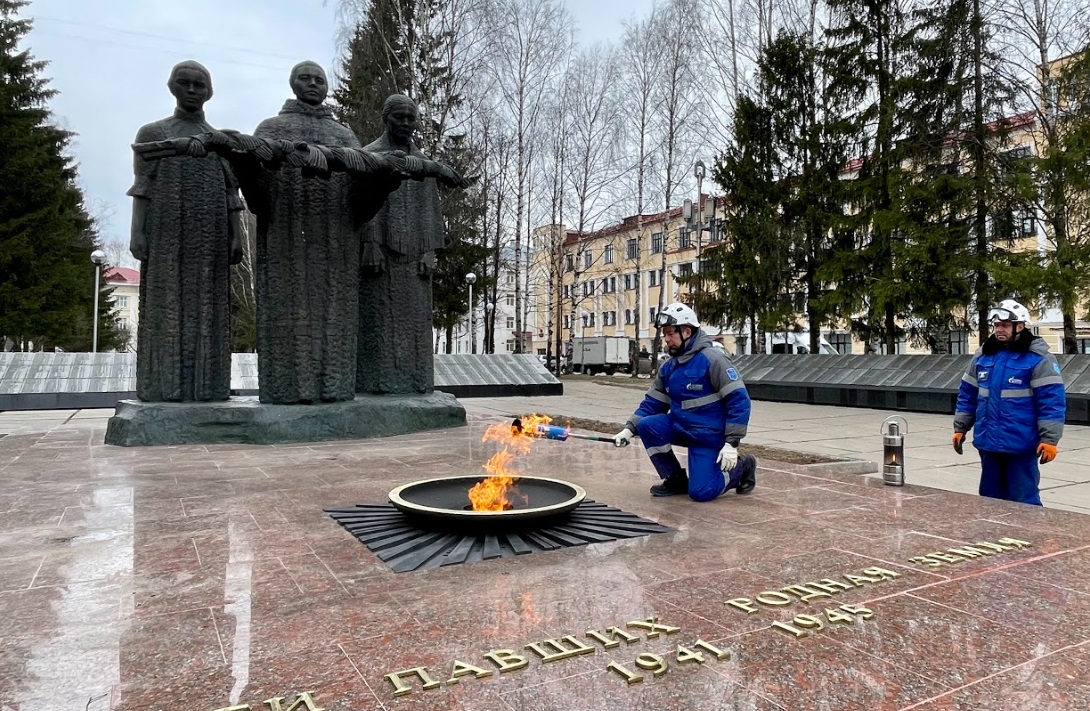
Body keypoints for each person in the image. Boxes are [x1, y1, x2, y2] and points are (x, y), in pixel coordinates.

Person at [234, 61, 396, 404]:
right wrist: (246, 169)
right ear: (293, 83)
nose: (312, 84)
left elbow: (359, 207)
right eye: (305, 78)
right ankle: (286, 391)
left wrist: (383, 186)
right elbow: (259, 200)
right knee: (288, 314)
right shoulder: (271, 128)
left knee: (335, 316)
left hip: (336, 243)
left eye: (319, 79)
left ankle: (334, 389)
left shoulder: (344, 136)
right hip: (285, 241)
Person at [128, 60, 243, 402]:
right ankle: (163, 386)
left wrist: (237, 234)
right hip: (166, 230)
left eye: (199, 85)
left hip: (211, 233)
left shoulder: (220, 141)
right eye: (185, 83)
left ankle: (209, 386)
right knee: (167, 303)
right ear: (172, 87)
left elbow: (231, 192)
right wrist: (137, 232)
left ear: (210, 92)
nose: (192, 90)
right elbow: (142, 187)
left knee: (210, 304)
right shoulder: (153, 134)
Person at [356, 94, 471, 395]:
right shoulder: (370, 156)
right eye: (399, 117)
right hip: (380, 256)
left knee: (415, 328)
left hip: (416, 260)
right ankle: (376, 387)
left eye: (411, 118)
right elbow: (364, 205)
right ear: (386, 118)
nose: (406, 123)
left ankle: (416, 385)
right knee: (379, 323)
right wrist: (370, 242)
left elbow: (431, 210)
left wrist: (431, 249)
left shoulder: (424, 164)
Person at [613, 303, 757, 501]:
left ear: (687, 331)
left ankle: (741, 468)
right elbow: (653, 402)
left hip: (708, 435)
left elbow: (739, 400)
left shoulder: (713, 359)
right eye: (664, 334)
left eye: (670, 334)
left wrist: (732, 443)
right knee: (647, 425)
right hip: (682, 427)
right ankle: (675, 479)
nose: (666, 339)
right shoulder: (669, 366)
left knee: (701, 492)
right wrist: (629, 429)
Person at [952, 299, 1067, 505]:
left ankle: (1028, 536)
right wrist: (960, 428)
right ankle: (991, 536)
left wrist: (1049, 440)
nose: (999, 330)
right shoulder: (983, 356)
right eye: (996, 326)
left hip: (1020, 444)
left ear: (1020, 326)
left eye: (1004, 325)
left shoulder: (1038, 358)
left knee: (1024, 500)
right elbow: (968, 394)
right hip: (989, 443)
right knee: (989, 499)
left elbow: (1051, 402)